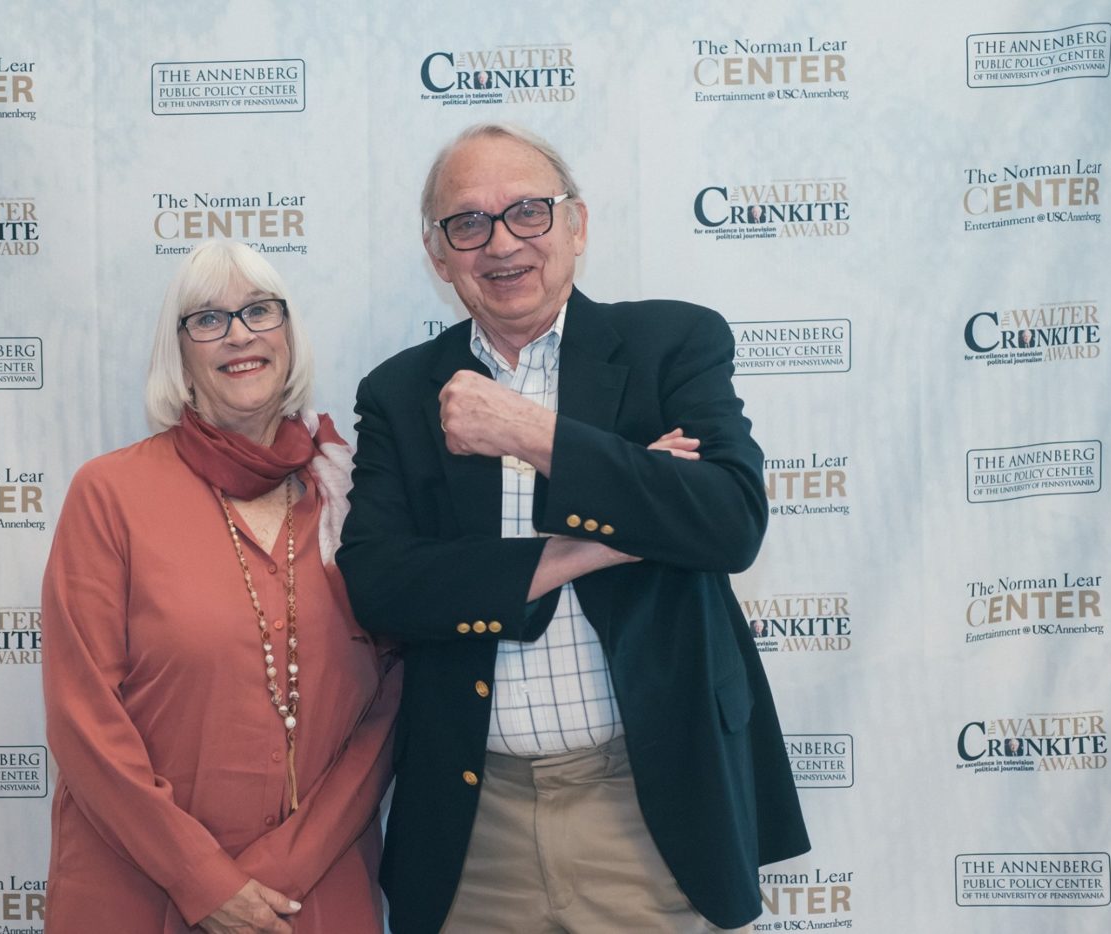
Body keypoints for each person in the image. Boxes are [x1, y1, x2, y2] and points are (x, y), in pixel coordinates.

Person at [337, 123, 809, 933]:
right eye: (469, 223)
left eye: (529, 211)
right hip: (470, 827)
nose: (502, 243)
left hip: (648, 807)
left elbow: (728, 521)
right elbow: (381, 586)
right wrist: (592, 543)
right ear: (438, 252)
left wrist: (527, 431)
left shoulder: (671, 344)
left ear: (577, 225)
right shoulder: (400, 392)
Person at [42, 240, 400, 933]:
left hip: (311, 899)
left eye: (259, 311)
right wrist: (202, 880)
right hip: (138, 893)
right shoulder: (110, 494)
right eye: (207, 319)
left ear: (289, 333)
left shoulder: (352, 494)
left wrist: (275, 878)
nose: (239, 333)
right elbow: (81, 715)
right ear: (178, 353)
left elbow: (390, 702)